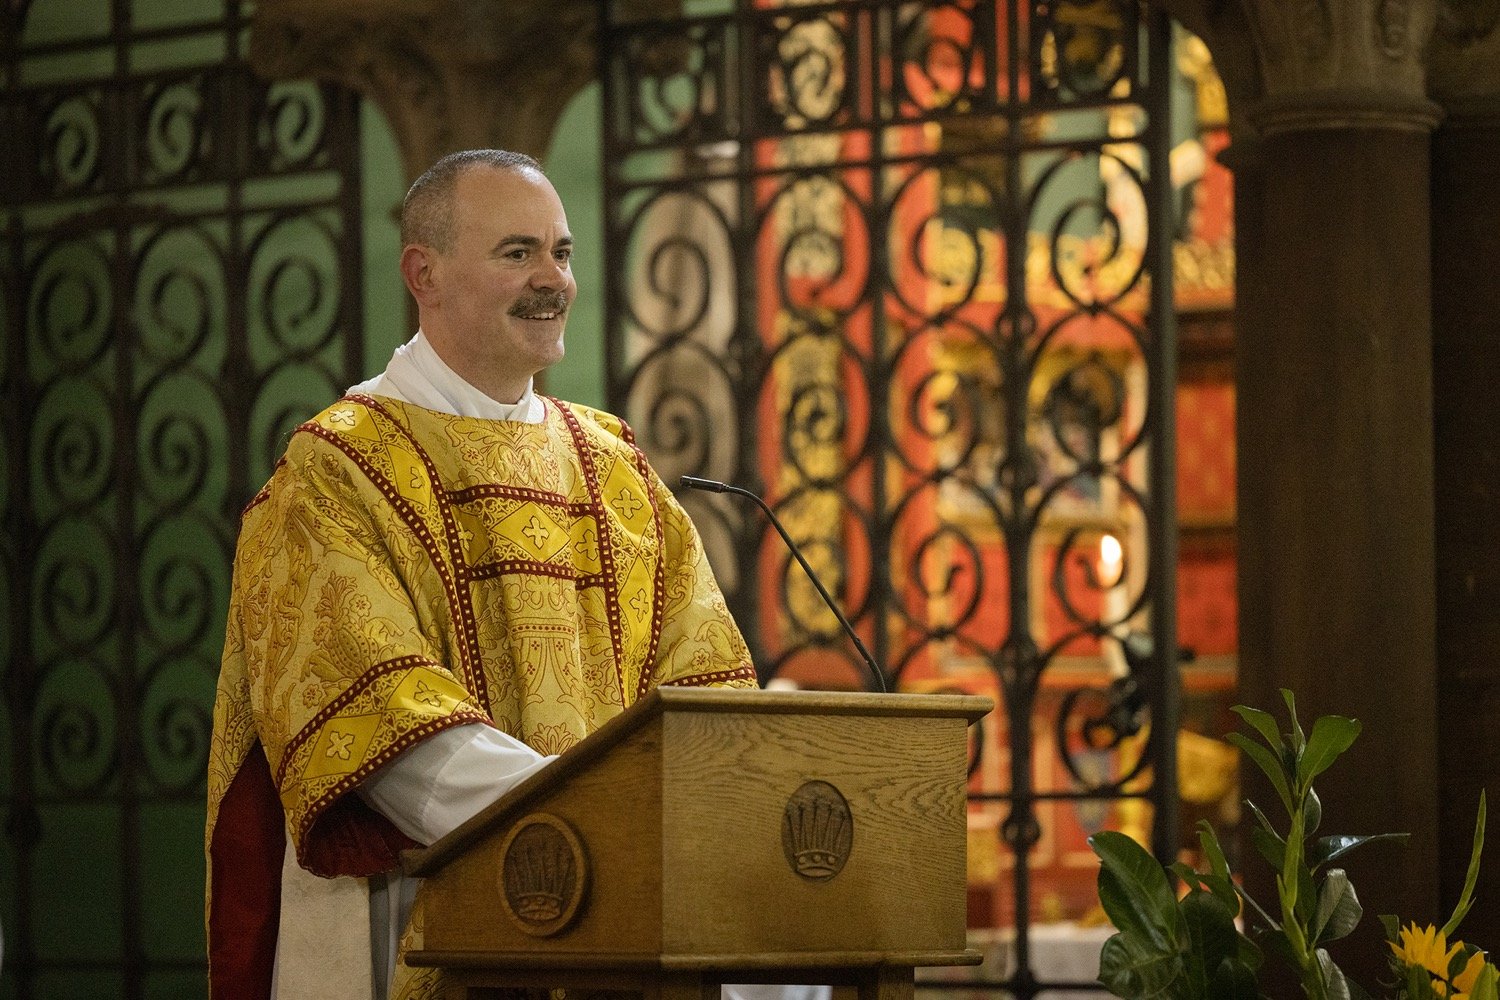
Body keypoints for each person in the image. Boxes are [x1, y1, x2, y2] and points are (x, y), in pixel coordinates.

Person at [206, 149, 757, 1000]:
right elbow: (381, 727)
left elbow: (707, 693)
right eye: (517, 253)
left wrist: (700, 809)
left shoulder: (614, 469)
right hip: (425, 916)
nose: (553, 280)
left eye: (562, 253)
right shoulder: (339, 469)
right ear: (423, 273)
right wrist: (605, 823)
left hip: (625, 928)